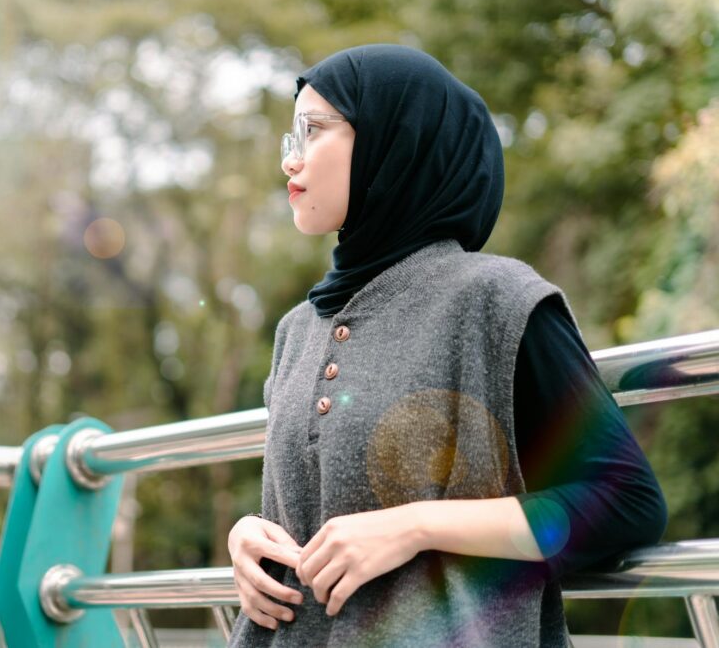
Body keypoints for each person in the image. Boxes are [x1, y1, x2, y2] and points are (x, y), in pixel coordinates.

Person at [225, 45, 667, 647]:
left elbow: (624, 503)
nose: (291, 159)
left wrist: (416, 528)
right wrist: (251, 536)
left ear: (394, 140)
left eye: (314, 129)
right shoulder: (295, 329)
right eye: (289, 136)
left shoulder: (496, 299)